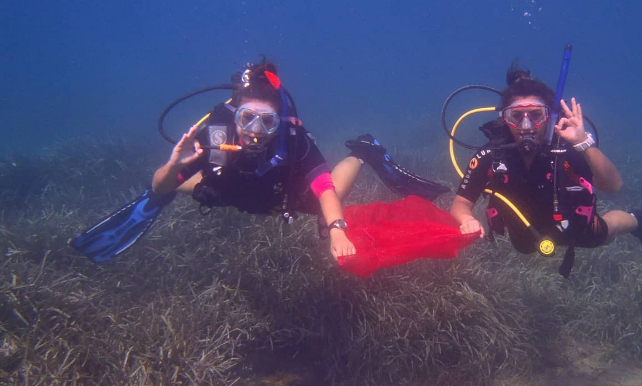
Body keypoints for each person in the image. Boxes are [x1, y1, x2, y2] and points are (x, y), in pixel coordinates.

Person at [71, 59, 448, 264]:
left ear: (278, 122)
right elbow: (161, 185)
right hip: (228, 187)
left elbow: (324, 188)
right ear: (234, 115)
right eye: (247, 119)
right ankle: (179, 185)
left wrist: (335, 229)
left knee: (330, 199)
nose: (255, 131)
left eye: (266, 122)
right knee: (182, 185)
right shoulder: (216, 136)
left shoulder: (293, 138)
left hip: (279, 194)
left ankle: (362, 150)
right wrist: (172, 170)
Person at [448, 64, 642, 298]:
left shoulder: (569, 147)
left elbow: (613, 185)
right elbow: (461, 204)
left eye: (536, 115)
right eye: (516, 116)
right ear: (504, 119)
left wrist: (583, 142)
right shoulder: (489, 155)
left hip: (574, 224)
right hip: (524, 233)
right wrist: (466, 219)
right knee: (524, 249)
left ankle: (640, 221)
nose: (527, 125)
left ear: (549, 117)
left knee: (604, 233)